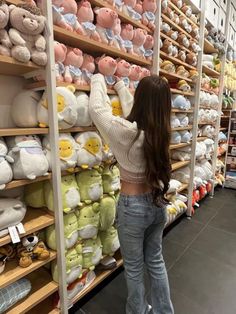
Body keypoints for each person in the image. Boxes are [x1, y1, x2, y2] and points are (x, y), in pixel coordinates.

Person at [89, 73, 174, 314]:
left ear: (140, 100)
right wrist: (120, 86)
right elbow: (135, 115)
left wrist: (97, 77)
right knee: (156, 262)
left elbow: (97, 110)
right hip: (157, 204)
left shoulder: (126, 132)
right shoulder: (161, 131)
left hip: (132, 207)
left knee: (134, 269)